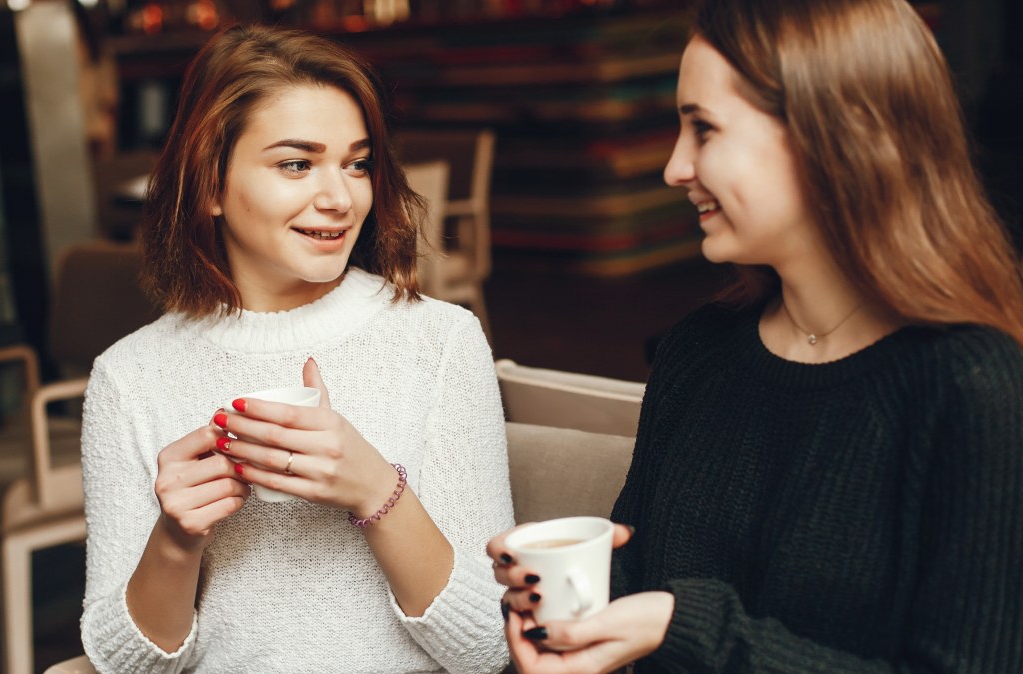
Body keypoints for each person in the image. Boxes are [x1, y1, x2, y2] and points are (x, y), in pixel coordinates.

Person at [487, 0, 1023, 672]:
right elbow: (642, 573)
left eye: (704, 129)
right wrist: (561, 600)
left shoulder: (972, 387)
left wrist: (687, 629)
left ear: (835, 136)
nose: (675, 168)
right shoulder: (697, 349)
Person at [79, 24, 513, 674]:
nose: (340, 198)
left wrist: (375, 489)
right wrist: (175, 540)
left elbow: (487, 645)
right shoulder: (129, 377)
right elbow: (126, 666)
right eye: (296, 164)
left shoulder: (441, 342)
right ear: (210, 186)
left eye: (357, 163)